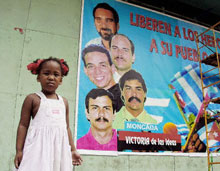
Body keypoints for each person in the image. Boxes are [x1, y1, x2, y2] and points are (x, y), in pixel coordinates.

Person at [14, 57, 82, 170]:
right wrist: (19, 151)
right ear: (38, 77)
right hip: (38, 150)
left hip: (59, 151)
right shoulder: (32, 99)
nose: (51, 77)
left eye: (56, 74)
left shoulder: (64, 102)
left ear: (61, 80)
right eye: (46, 73)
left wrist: (73, 149)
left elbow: (67, 128)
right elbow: (23, 125)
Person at [82, 44, 124, 112]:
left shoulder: (123, 98)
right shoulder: (94, 98)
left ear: (113, 68)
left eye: (103, 65)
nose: (97, 72)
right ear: (85, 71)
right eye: (91, 66)